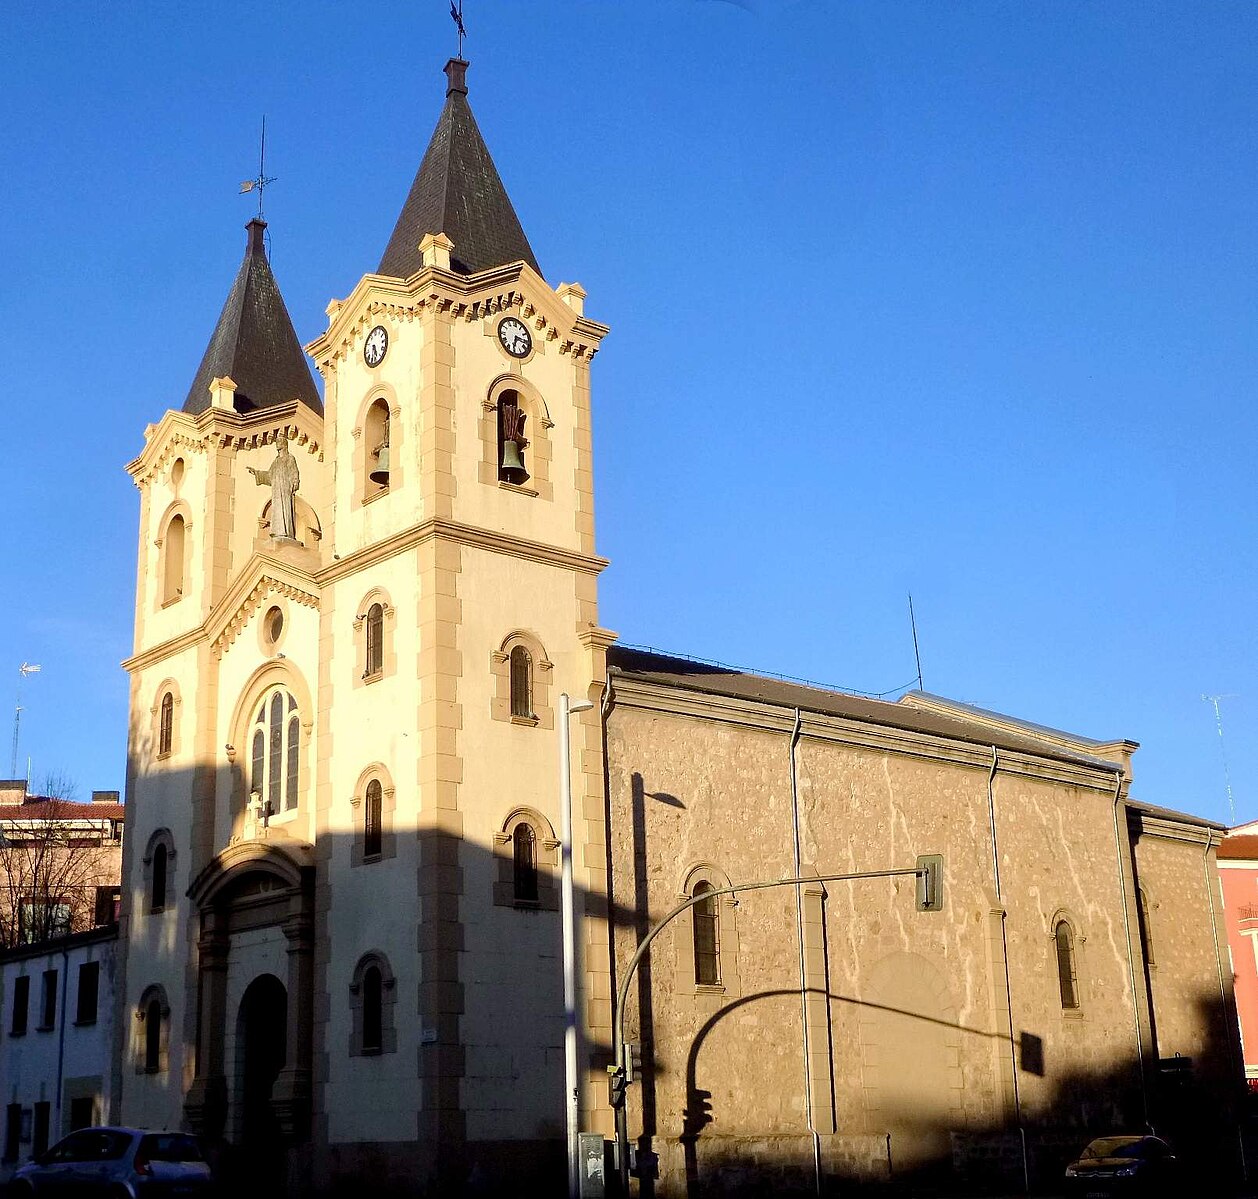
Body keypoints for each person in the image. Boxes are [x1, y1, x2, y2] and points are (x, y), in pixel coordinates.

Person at [247, 433, 300, 540]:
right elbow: (269, 476)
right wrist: (256, 473)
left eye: (279, 442)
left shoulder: (290, 458)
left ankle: (286, 532)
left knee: (285, 509)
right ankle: (277, 531)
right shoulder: (275, 462)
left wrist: (294, 483)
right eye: (277, 442)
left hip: (285, 489)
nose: (277, 444)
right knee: (277, 510)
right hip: (276, 491)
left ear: (284, 445)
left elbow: (294, 472)